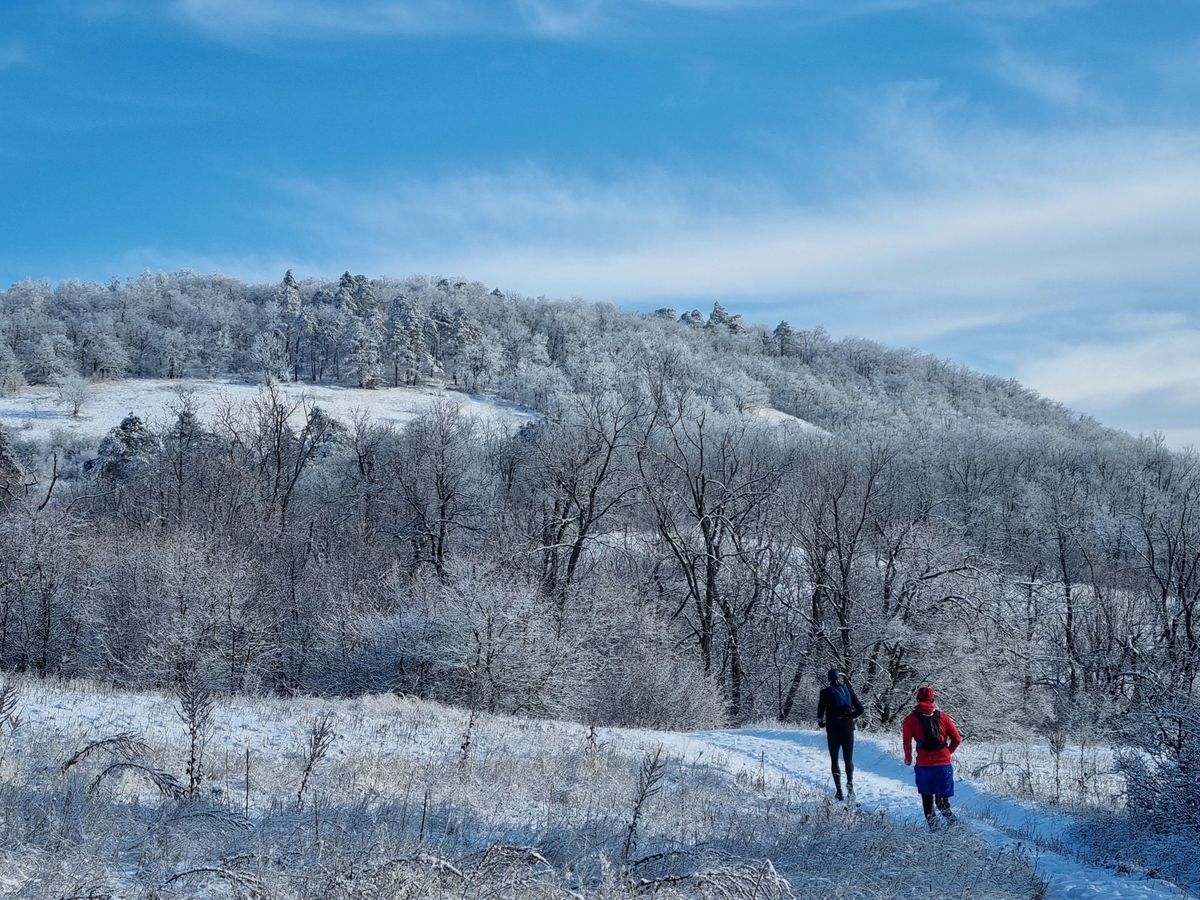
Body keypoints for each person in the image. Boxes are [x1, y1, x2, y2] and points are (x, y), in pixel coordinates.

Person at [902, 686, 962, 830]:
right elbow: (957, 739)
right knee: (942, 803)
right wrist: (947, 753)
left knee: (927, 801)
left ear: (917, 699)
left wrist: (908, 759)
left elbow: (907, 742)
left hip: (924, 766)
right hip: (943, 765)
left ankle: (935, 832)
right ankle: (957, 828)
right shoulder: (944, 717)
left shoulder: (910, 719)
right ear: (933, 700)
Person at [817, 668, 864, 801]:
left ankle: (839, 792)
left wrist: (821, 722)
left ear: (829, 679)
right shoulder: (849, 690)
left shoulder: (825, 692)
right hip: (848, 728)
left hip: (832, 728)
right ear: (839, 678)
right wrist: (850, 716)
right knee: (848, 759)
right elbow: (861, 709)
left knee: (834, 759)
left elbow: (820, 709)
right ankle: (850, 787)